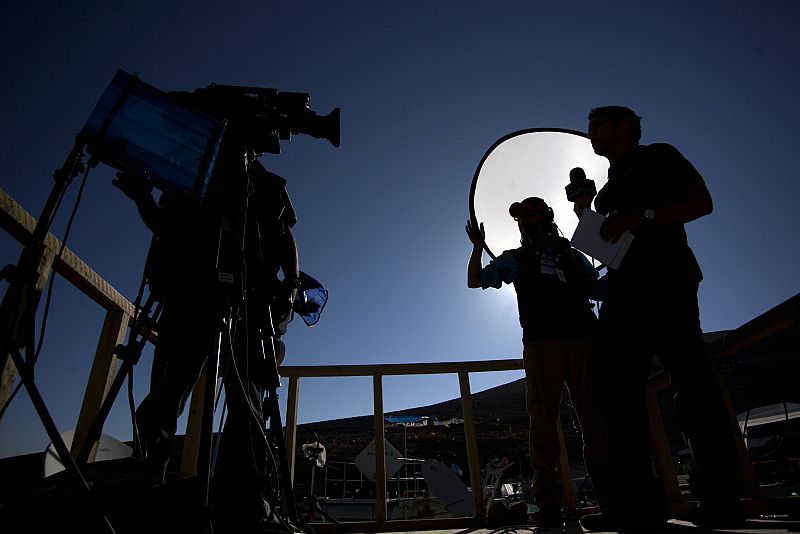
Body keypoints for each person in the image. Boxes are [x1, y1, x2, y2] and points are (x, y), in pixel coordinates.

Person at [573, 106, 746, 531]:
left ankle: (721, 497)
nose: (591, 133)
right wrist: (584, 210)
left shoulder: (659, 156)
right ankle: (634, 503)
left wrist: (642, 214)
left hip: (667, 281)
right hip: (622, 291)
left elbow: (701, 203)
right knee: (617, 395)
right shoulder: (606, 191)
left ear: (625, 126)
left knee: (692, 384)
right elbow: (609, 240)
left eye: (598, 125)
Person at [113, 157, 300, 532]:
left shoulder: (260, 183)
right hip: (190, 297)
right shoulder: (193, 175)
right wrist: (142, 198)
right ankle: (149, 487)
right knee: (168, 396)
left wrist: (290, 287)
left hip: (246, 304)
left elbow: (284, 238)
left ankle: (244, 502)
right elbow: (165, 226)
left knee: (243, 401)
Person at [466, 197, 609, 528]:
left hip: (584, 340)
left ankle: (610, 501)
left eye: (529, 211)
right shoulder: (515, 259)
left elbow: (598, 290)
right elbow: (475, 280)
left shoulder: (573, 254)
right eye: (519, 215)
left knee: (595, 421)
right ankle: (549, 507)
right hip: (542, 344)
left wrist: (619, 260)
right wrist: (477, 246)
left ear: (545, 214)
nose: (523, 219)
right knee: (543, 425)